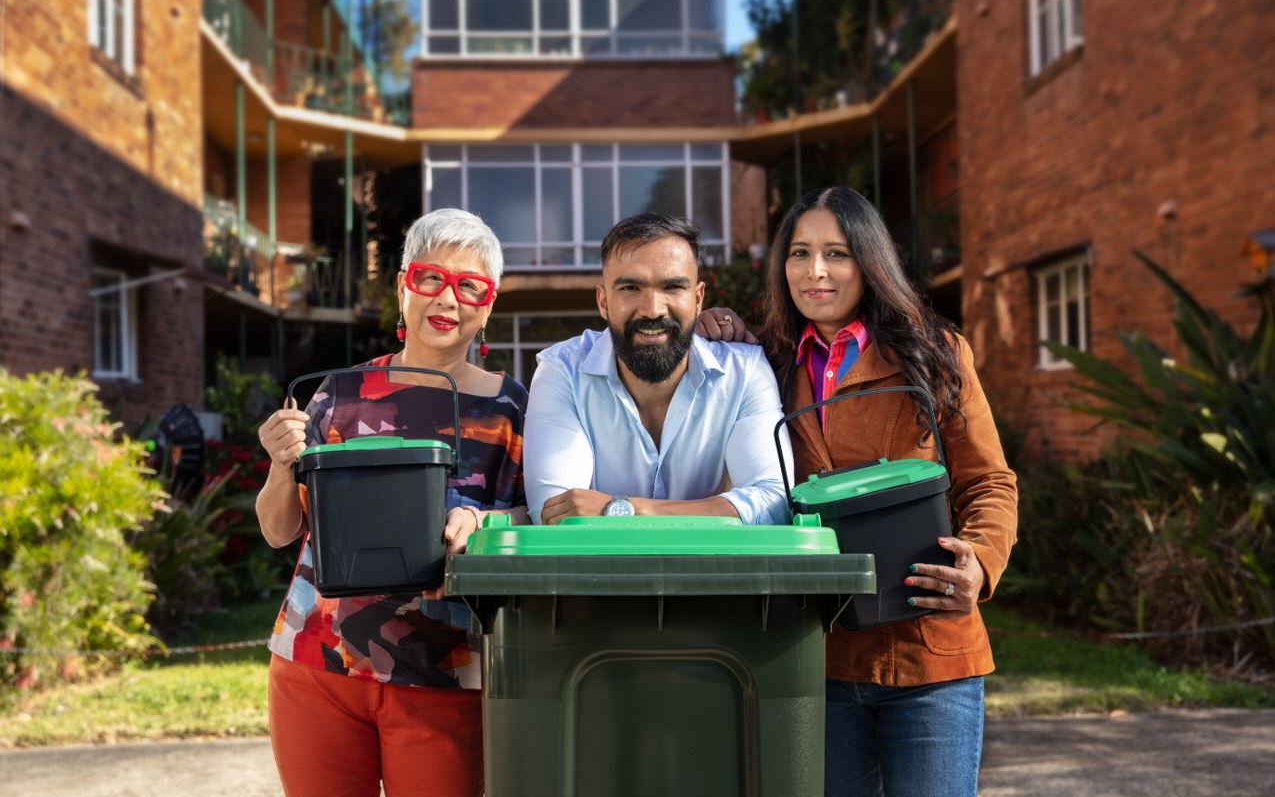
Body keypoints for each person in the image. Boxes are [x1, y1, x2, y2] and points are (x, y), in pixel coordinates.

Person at [697, 187, 1018, 797]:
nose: (815, 271)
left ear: (869, 261)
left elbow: (989, 481)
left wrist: (980, 560)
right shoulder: (764, 363)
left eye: (836, 253)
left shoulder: (936, 353)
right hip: (817, 660)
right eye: (799, 253)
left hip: (930, 651)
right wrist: (721, 330)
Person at [254, 209, 528, 797]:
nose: (447, 299)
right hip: (316, 665)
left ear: (489, 304)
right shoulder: (340, 393)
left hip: (445, 670)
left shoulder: (512, 408)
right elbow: (280, 532)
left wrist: (486, 519)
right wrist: (281, 464)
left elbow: (538, 515)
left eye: (469, 285)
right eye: (431, 277)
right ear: (404, 284)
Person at [523, 212, 790, 525]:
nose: (652, 309)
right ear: (603, 301)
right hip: (599, 575)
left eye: (673, 286)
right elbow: (556, 513)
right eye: (630, 288)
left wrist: (623, 508)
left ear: (698, 298)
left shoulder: (744, 372)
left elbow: (773, 503)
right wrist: (718, 510)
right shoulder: (561, 372)